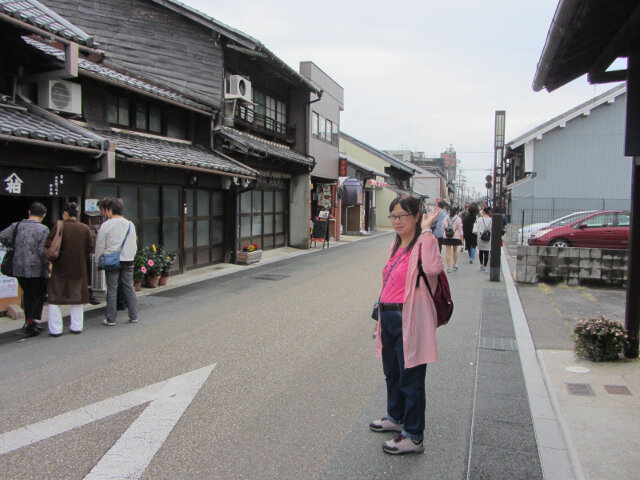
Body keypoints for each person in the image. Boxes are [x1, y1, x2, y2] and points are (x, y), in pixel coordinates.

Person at [369, 194, 443, 455]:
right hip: (388, 316)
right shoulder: (396, 245)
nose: (396, 221)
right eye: (393, 216)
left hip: (409, 318)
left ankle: (414, 435)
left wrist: (427, 232)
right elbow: (388, 282)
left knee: (411, 378)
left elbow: (434, 269)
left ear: (416, 217)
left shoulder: (423, 244)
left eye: (402, 216)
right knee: (392, 373)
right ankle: (395, 416)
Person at [0, 202, 49, 336]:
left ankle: (30, 323)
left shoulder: (16, 226)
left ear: (29, 212)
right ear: (44, 215)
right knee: (39, 294)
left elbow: (2, 236)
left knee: (27, 294)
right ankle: (30, 323)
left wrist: (12, 245)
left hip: (18, 267)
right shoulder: (43, 229)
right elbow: (42, 251)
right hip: (36, 267)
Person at [45, 202, 95, 336]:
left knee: (55, 299)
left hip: (60, 268)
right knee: (77, 298)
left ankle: (56, 329)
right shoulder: (84, 228)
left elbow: (48, 244)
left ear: (65, 213)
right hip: (79, 267)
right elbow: (90, 247)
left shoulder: (59, 226)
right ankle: (76, 326)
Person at [95, 197, 139, 326]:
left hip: (112, 261)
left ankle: (111, 319)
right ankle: (134, 316)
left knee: (112, 290)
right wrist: (130, 256)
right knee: (129, 288)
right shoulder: (130, 224)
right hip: (128, 260)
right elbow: (133, 244)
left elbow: (100, 246)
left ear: (109, 210)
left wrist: (98, 261)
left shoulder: (106, 225)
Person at [441, 207, 463, 273]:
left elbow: (442, 228)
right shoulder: (458, 219)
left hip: (446, 237)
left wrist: (442, 235)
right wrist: (461, 237)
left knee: (448, 252)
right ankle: (455, 264)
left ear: (449, 211)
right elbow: (460, 229)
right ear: (456, 212)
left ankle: (449, 267)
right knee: (455, 250)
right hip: (455, 236)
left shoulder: (445, 219)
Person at [476, 206, 493, 272]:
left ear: (483, 212)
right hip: (488, 237)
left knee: (481, 251)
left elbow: (476, 228)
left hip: (480, 237)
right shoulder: (492, 220)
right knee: (486, 252)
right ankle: (485, 266)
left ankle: (481, 265)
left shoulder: (479, 219)